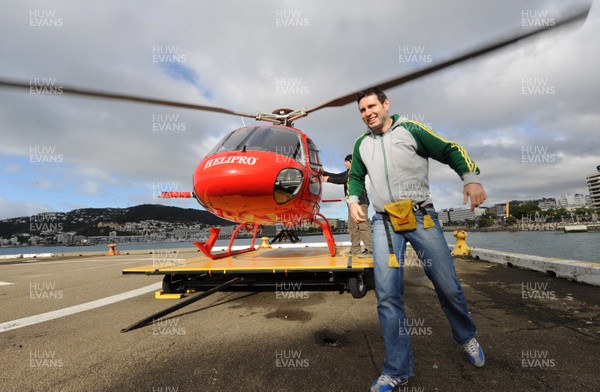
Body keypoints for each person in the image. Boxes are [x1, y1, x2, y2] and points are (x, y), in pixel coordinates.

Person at [347, 87, 487, 391]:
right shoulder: (360, 145)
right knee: (387, 294)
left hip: (420, 216)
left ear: (386, 105)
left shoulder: (411, 129)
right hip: (384, 222)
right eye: (362, 110)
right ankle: (397, 369)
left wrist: (471, 177)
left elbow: (449, 149)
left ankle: (466, 336)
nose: (367, 113)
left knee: (447, 286)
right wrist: (354, 200)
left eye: (372, 106)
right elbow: (356, 177)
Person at [322, 154, 372, 258]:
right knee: (352, 227)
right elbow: (337, 176)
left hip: (360, 203)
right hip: (351, 205)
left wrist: (328, 179)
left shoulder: (355, 172)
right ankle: (355, 249)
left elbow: (343, 180)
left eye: (346, 162)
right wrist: (323, 172)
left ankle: (370, 249)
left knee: (362, 226)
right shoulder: (347, 172)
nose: (344, 163)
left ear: (351, 162)